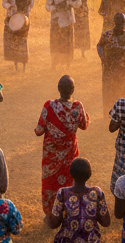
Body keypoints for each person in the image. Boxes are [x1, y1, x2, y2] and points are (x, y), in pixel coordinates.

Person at [35, 75, 89, 214]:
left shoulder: (49, 105)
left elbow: (39, 131)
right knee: (69, 180)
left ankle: (50, 213)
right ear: (73, 90)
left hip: (51, 154)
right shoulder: (77, 106)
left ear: (58, 89)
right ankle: (69, 209)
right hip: (69, 153)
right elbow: (84, 125)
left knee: (50, 181)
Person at [98, 12, 125, 117]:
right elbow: (99, 46)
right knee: (108, 90)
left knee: (120, 89)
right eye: (118, 24)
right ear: (114, 23)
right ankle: (107, 114)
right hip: (108, 67)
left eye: (122, 24)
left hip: (121, 68)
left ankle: (119, 114)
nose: (120, 27)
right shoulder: (107, 34)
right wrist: (102, 57)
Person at [46, 0, 82, 68]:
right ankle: (54, 63)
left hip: (68, 20)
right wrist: (56, 7)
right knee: (55, 44)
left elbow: (79, 3)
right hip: (56, 20)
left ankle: (67, 64)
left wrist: (69, 4)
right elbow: (47, 6)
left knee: (68, 44)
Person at [2, 0, 35, 70]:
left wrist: (24, 13)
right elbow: (4, 2)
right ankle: (16, 65)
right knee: (12, 42)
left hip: (24, 20)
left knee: (22, 42)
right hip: (11, 18)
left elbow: (31, 3)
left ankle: (24, 66)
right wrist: (11, 7)